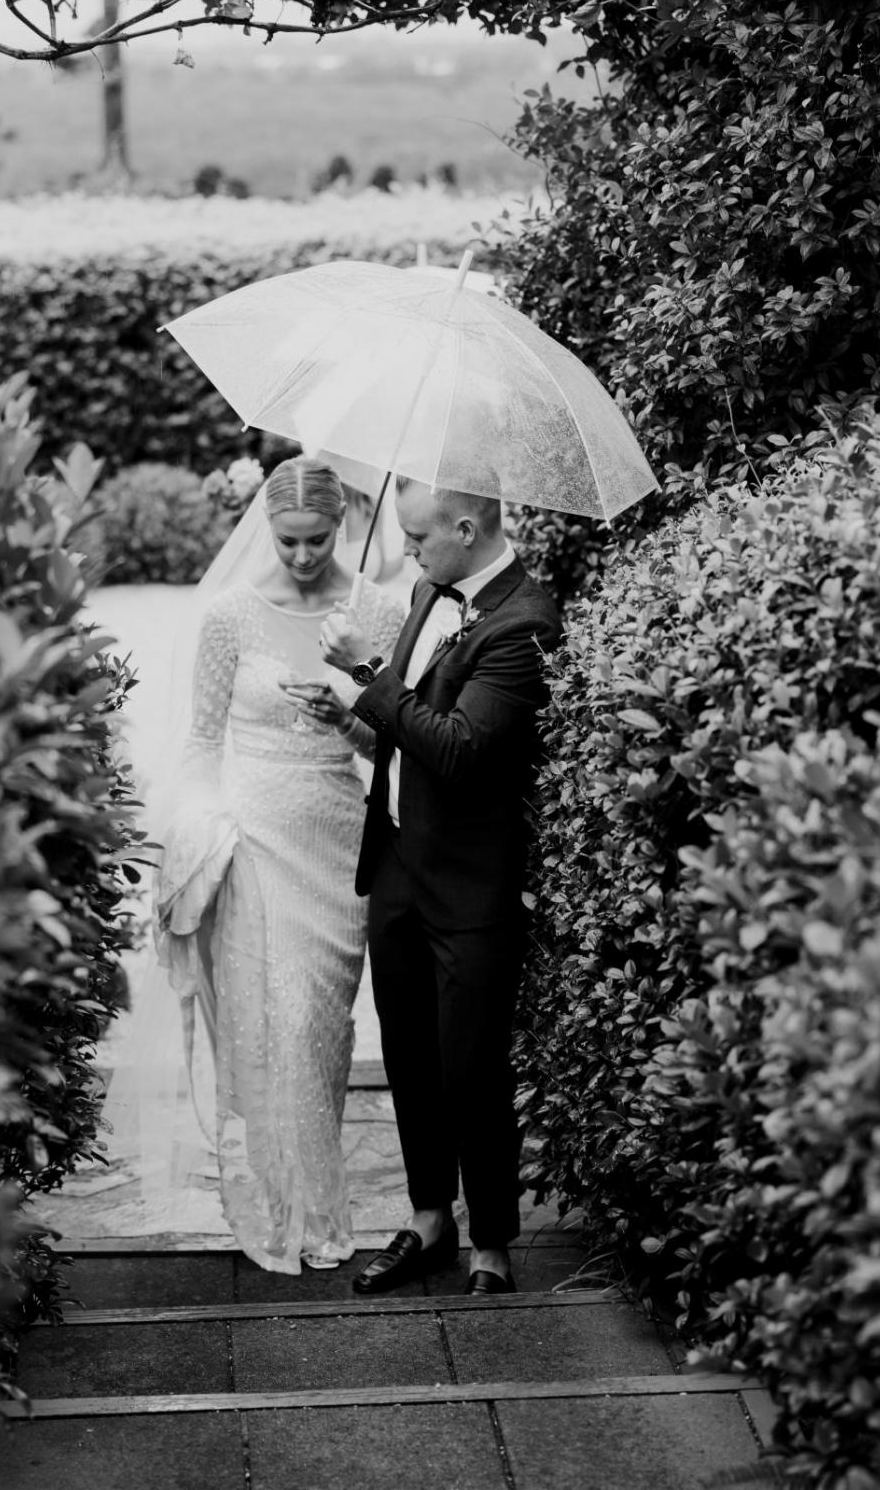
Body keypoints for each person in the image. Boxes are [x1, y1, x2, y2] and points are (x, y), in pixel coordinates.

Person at [147, 456, 405, 1274]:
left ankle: (310, 1191)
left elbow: (392, 743)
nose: (300, 555)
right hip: (253, 839)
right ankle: (296, 1211)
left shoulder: (377, 612)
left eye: (317, 539)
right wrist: (195, 826)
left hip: (336, 841)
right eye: (287, 539)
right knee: (275, 1024)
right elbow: (199, 740)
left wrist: (349, 708)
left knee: (322, 1029)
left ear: (344, 528)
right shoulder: (229, 617)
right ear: (266, 527)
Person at [319, 477, 561, 1295]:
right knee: (410, 1055)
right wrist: (349, 717)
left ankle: (492, 1238)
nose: (410, 552)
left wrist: (362, 669)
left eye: (419, 537)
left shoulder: (526, 622)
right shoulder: (430, 590)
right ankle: (429, 1218)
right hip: (395, 865)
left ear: (466, 527)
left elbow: (458, 749)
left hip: (468, 887)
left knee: (471, 1066)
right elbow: (403, 735)